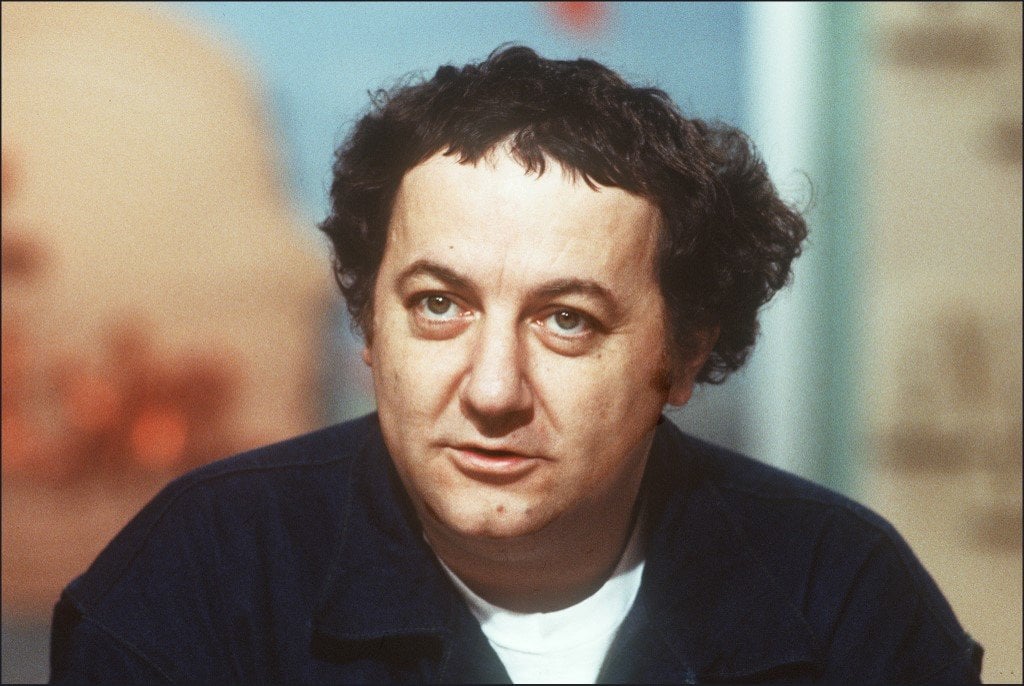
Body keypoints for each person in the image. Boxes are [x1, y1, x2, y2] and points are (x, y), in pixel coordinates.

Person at [49, 46, 982, 684]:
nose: (493, 390)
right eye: (439, 305)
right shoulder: (200, 574)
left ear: (684, 352)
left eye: (567, 321)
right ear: (368, 324)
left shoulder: (843, 594)